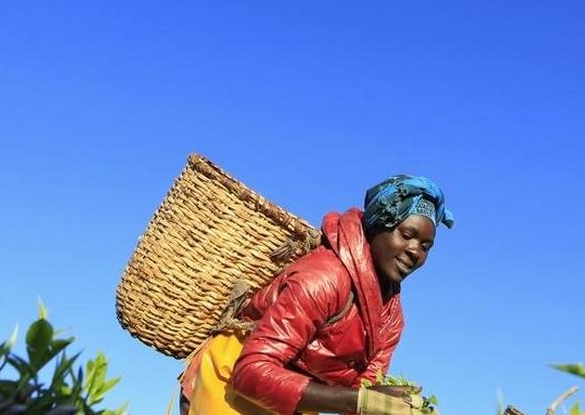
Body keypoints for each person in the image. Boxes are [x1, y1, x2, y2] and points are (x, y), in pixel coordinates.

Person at [179, 175, 454, 415]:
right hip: (232, 381)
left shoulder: (391, 319)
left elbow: (363, 391)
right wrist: (359, 402)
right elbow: (250, 372)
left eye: (425, 246)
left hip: (295, 398)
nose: (414, 251)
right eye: (406, 234)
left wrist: (384, 403)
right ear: (378, 226)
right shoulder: (324, 278)